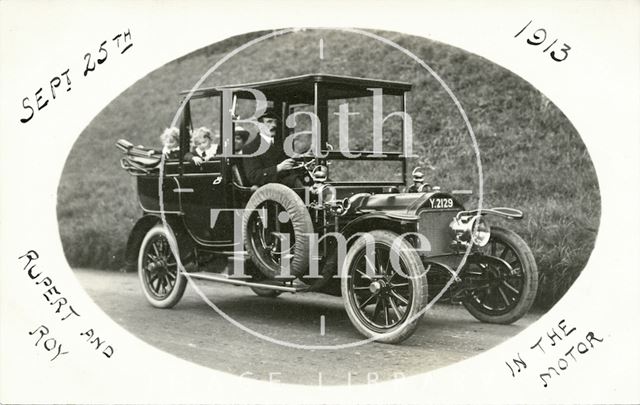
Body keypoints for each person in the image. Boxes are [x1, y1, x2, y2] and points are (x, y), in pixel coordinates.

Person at [242, 110, 300, 187]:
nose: (274, 125)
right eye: (269, 122)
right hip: (268, 189)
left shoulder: (279, 144)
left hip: (285, 184)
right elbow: (253, 176)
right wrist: (278, 168)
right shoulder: (251, 148)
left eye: (275, 122)